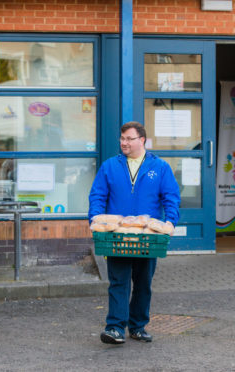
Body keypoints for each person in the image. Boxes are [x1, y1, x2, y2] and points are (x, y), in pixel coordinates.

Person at [89, 121, 180, 345]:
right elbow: (97, 196)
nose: (124, 143)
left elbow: (171, 197)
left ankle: (138, 326)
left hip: (147, 236)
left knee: (143, 283)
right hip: (117, 236)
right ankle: (115, 328)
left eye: (129, 139)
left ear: (142, 140)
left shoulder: (160, 167)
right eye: (122, 139)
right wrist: (94, 218)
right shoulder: (110, 166)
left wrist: (170, 222)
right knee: (118, 281)